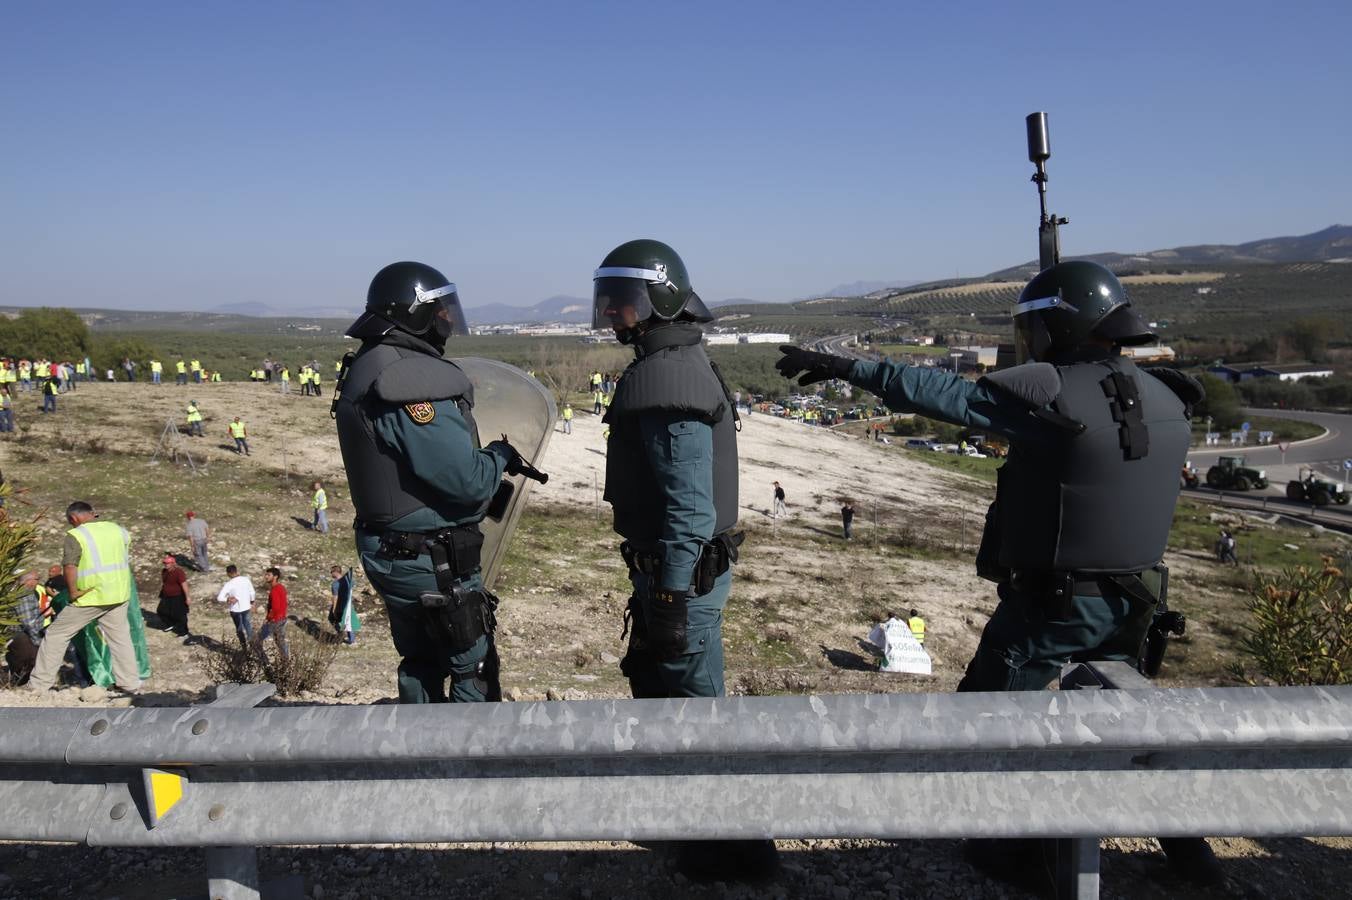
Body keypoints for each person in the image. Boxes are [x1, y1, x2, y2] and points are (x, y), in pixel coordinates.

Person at [776, 259, 1222, 888]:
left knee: (988, 720)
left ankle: (1017, 852)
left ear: (1057, 328)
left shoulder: (1051, 398)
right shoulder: (1168, 394)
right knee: (1132, 722)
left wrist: (847, 366)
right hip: (1140, 601)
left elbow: (945, 395)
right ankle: (1192, 855)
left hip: (1054, 605)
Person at [593, 239, 774, 882]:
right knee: (677, 696)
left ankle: (739, 852)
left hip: (683, 580)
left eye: (622, 302)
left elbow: (690, 511)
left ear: (657, 300)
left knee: (698, 714)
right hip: (676, 575)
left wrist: (669, 598)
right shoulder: (670, 360)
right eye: (609, 301)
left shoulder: (668, 376)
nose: (612, 314)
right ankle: (700, 829)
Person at [335, 260, 519, 704]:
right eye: (440, 311)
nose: (448, 320)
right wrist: (499, 456)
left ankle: (419, 759)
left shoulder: (370, 363)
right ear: (413, 313)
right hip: (430, 561)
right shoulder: (405, 378)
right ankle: (466, 764)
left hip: (396, 550)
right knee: (471, 668)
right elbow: (468, 482)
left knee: (421, 663)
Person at [26, 501, 143, 695]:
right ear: (92, 513)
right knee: (120, 638)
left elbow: (70, 566)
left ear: (73, 518)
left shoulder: (77, 535)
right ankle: (129, 684)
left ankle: (38, 685)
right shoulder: (118, 530)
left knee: (56, 634)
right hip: (119, 594)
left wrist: (72, 592)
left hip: (91, 596)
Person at [215, 564, 255, 646]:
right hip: (246, 607)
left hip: (235, 610)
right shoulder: (246, 580)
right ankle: (253, 645)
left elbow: (219, 598)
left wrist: (227, 599)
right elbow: (252, 592)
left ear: (228, 573)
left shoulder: (229, 584)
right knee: (248, 627)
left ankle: (244, 647)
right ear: (236, 571)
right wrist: (252, 602)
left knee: (239, 629)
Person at [156, 553, 191, 638]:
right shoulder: (164, 571)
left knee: (180, 614)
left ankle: (183, 632)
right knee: (161, 611)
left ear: (173, 563)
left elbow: (184, 584)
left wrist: (187, 597)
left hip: (178, 596)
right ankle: (170, 624)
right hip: (166, 596)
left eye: (167, 563)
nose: (165, 565)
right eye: (164, 563)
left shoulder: (178, 572)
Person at [258, 567, 289, 662]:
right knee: (280, 641)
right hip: (282, 618)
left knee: (257, 640)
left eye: (268, 575)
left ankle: (264, 662)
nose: (266, 577)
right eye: (266, 574)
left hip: (275, 620)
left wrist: (268, 618)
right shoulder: (281, 587)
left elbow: (275, 607)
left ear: (275, 577)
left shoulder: (275, 590)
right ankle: (286, 661)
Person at [329, 565, 360, 645]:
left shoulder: (335, 584)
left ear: (336, 572)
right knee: (348, 621)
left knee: (332, 618)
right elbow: (353, 585)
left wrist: (334, 610)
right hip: (348, 604)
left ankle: (341, 633)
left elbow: (335, 598)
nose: (331, 573)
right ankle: (352, 640)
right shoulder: (348, 580)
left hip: (339, 605)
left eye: (331, 572)